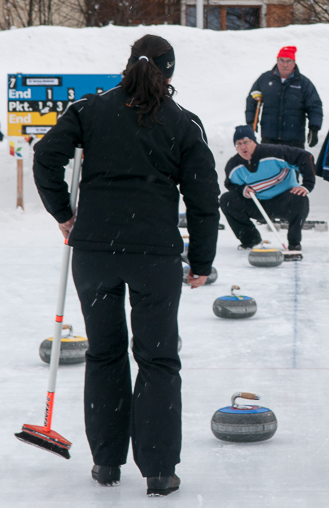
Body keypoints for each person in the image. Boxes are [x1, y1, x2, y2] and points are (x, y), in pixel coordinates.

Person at [32, 34, 219, 497]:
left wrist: (64, 215)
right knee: (157, 359)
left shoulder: (89, 110)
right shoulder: (181, 123)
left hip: (95, 251)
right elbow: (203, 197)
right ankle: (158, 470)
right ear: (170, 73)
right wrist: (202, 260)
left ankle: (106, 462)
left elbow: (46, 156)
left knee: (105, 352)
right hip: (153, 254)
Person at [220, 125, 315, 251]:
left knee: (301, 198)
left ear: (254, 142)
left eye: (246, 142)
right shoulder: (233, 165)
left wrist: (307, 185)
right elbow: (230, 184)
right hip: (257, 204)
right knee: (226, 200)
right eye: (238, 143)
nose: (243, 147)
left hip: (284, 201)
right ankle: (251, 240)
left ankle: (294, 243)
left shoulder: (274, 152)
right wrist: (243, 189)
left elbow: (304, 157)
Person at [245, 45, 323, 149]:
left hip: (294, 140)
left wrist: (314, 128)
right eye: (281, 60)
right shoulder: (265, 79)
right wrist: (250, 122)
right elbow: (252, 100)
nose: (285, 64)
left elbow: (314, 106)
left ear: (294, 63)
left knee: (292, 165)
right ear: (277, 61)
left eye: (288, 61)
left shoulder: (303, 83)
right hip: (269, 138)